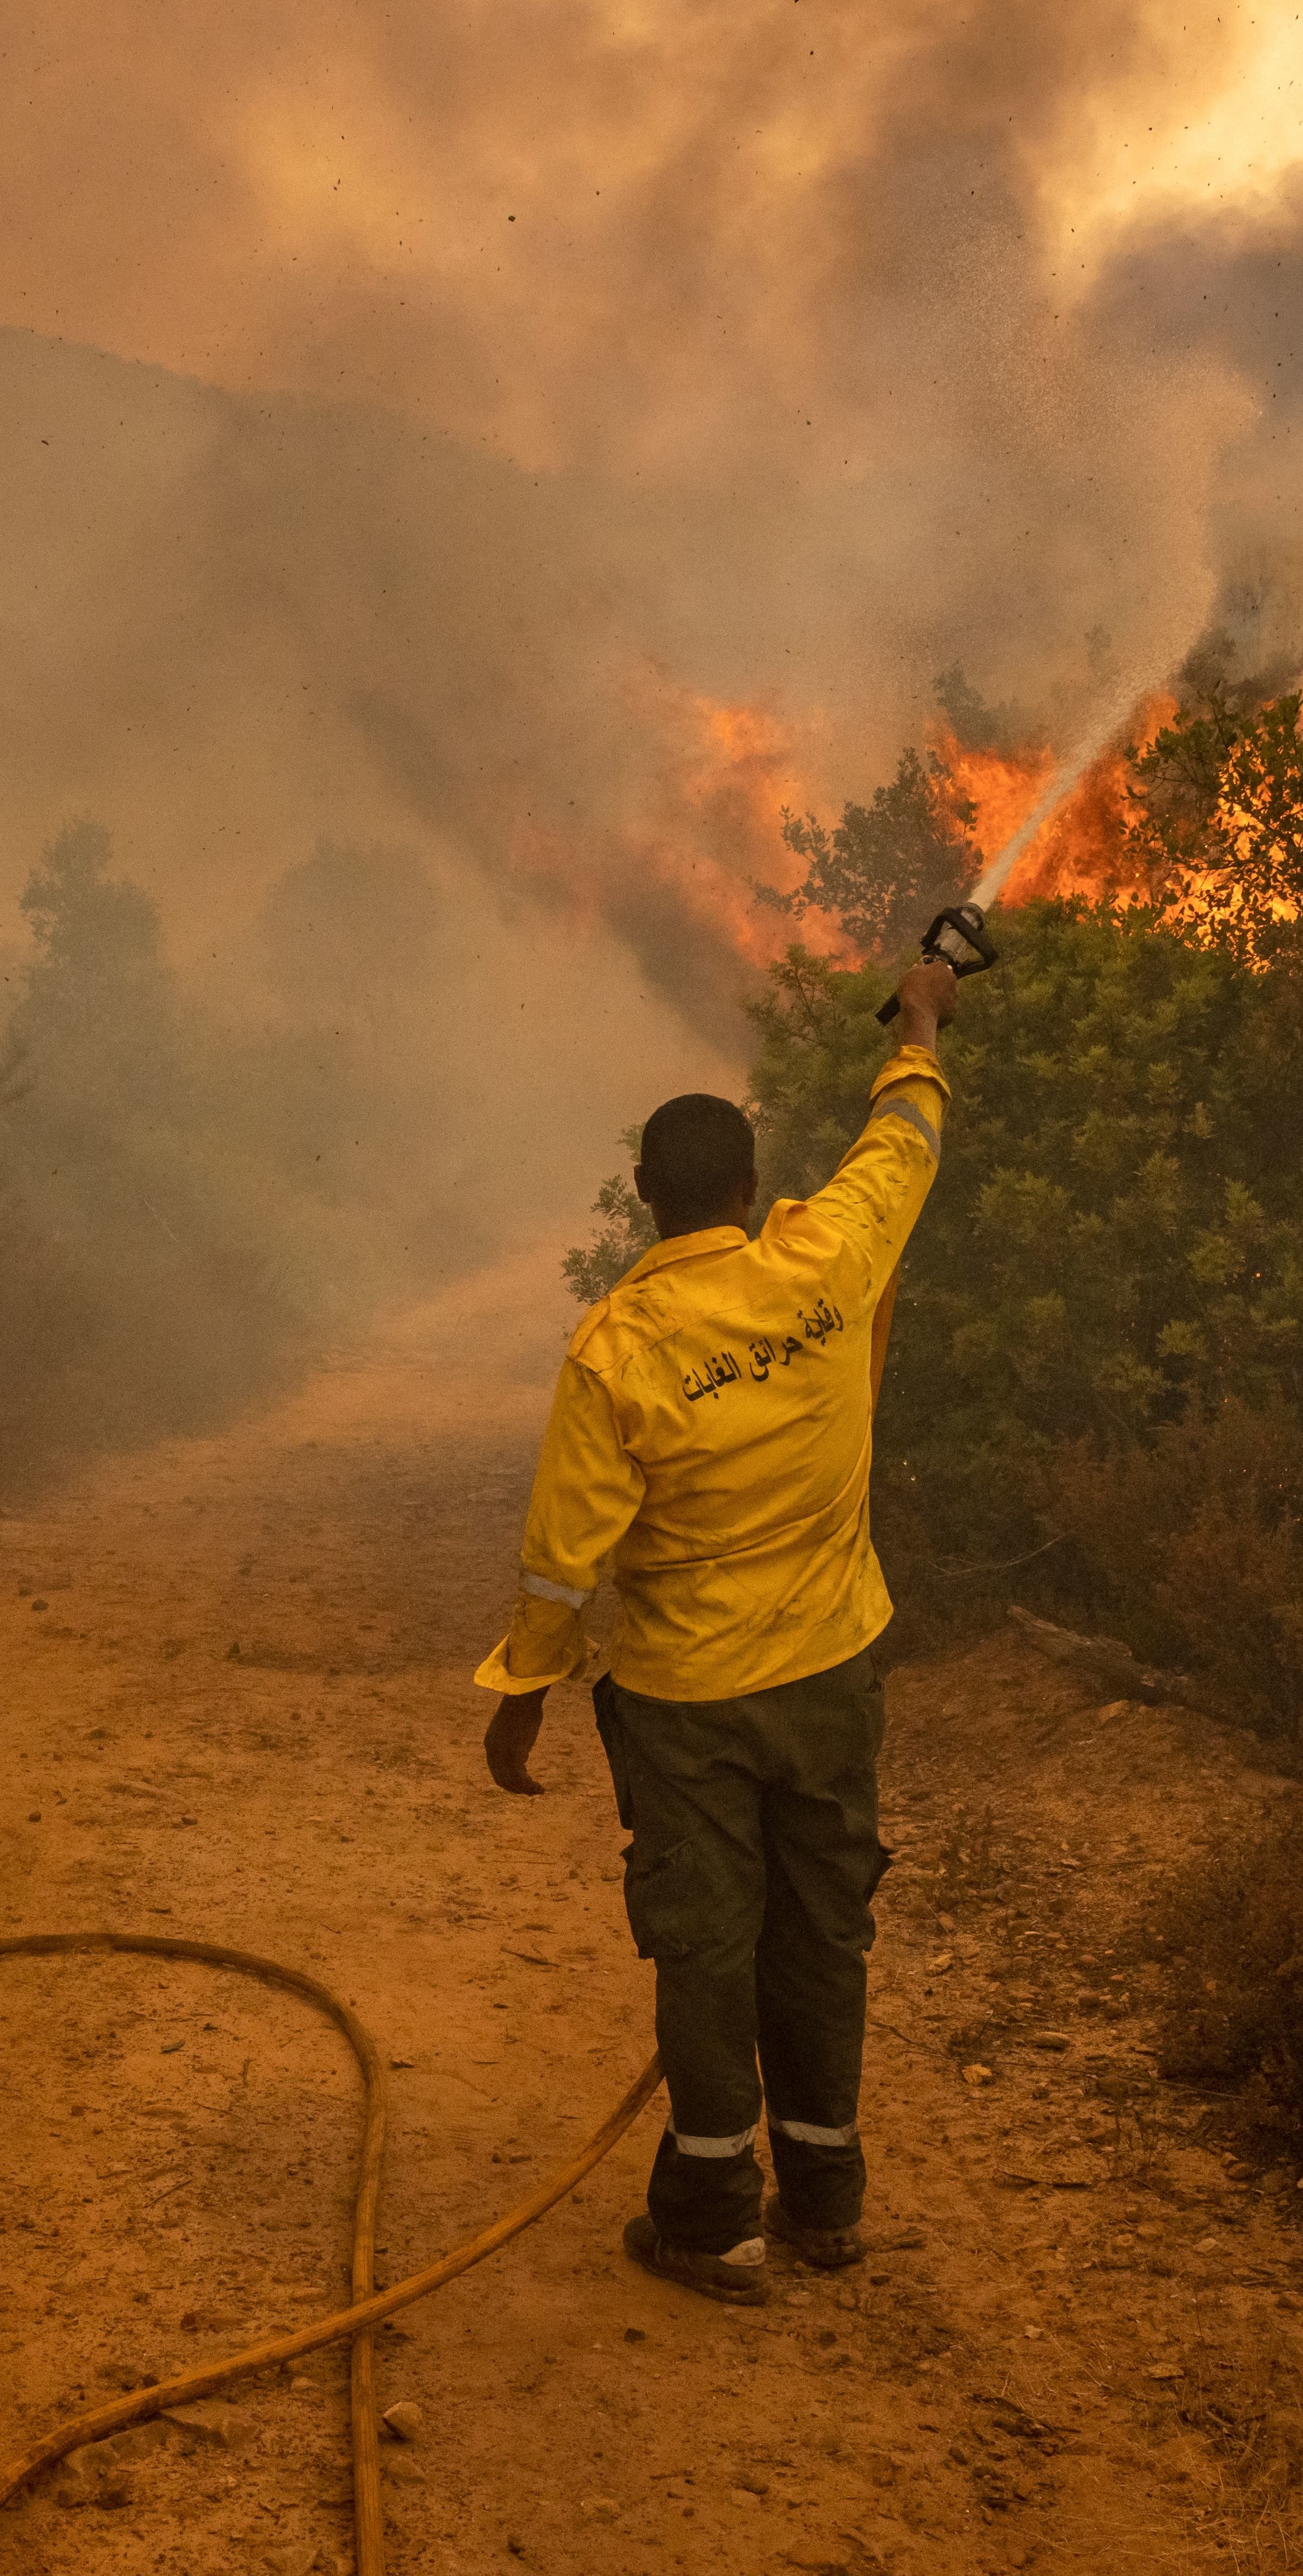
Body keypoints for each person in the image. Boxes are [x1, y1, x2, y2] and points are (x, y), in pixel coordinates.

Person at [477, 951, 960, 2304]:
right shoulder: (828, 1254)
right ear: (748, 1189)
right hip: (829, 1681)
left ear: (644, 1199)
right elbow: (902, 1140)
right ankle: (825, 2200)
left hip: (688, 1706)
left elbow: (563, 1565)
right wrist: (918, 1026)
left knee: (703, 1944)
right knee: (822, 1929)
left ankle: (709, 2217)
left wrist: (520, 1707)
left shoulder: (618, 1348)